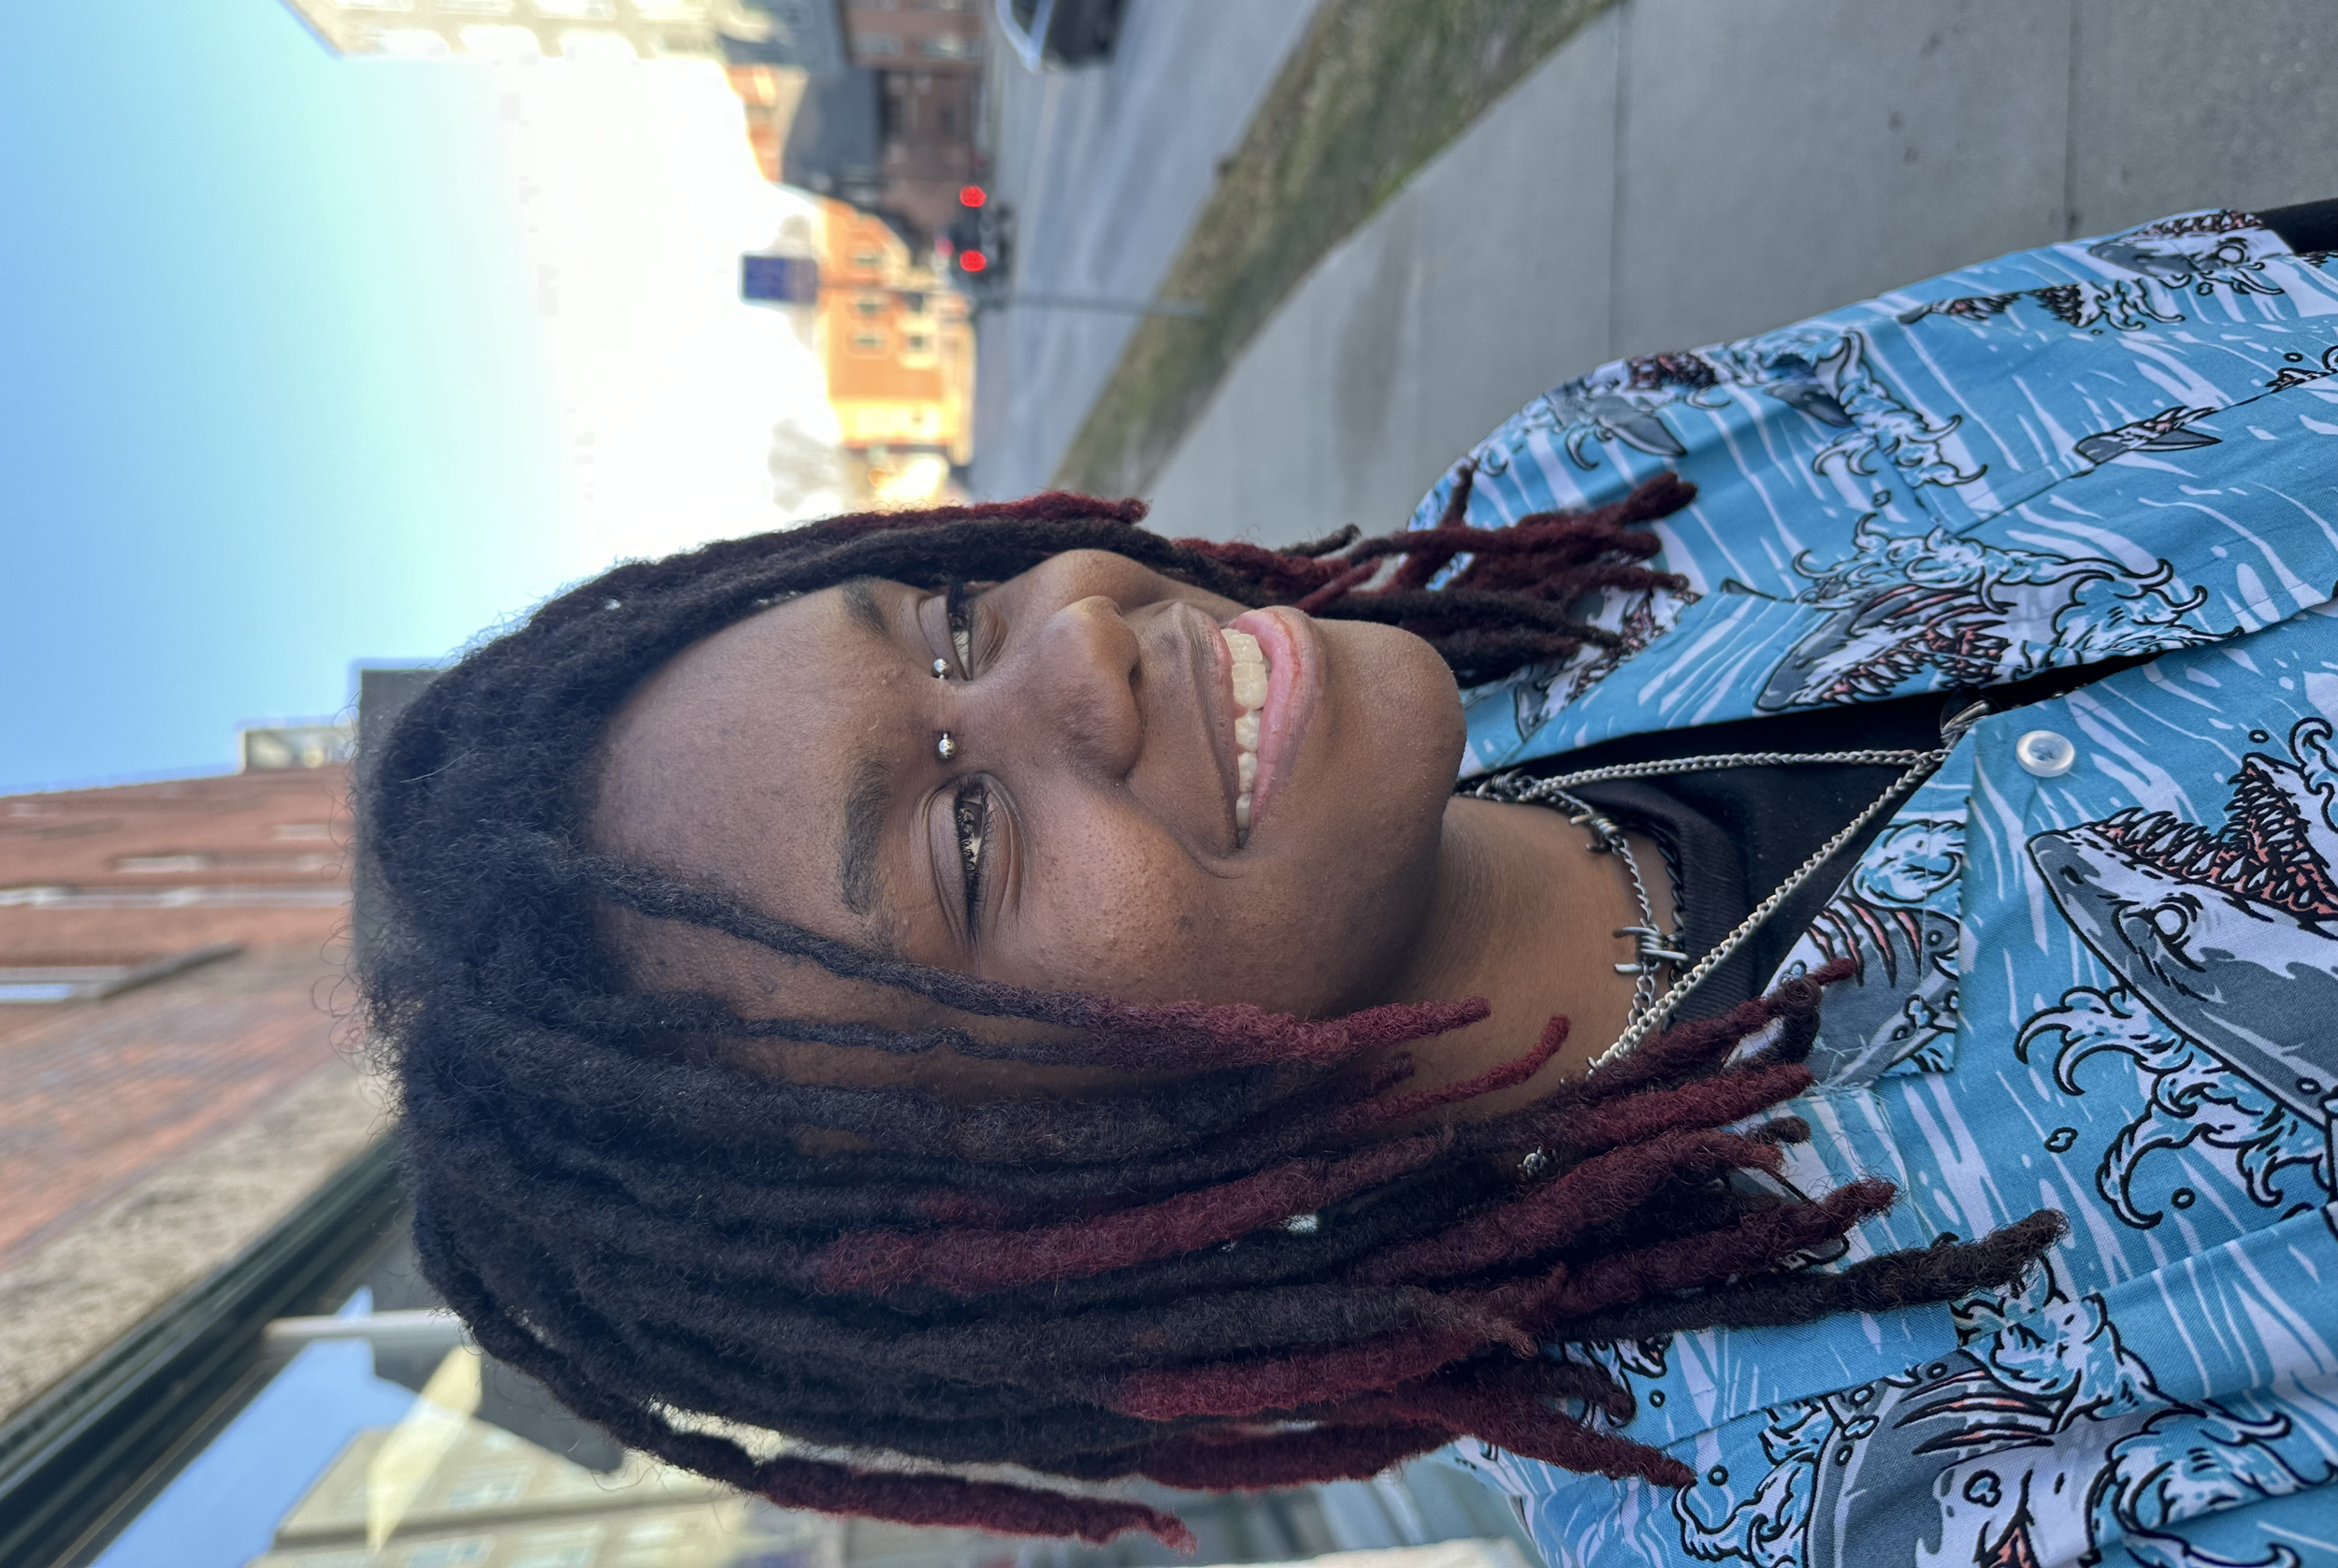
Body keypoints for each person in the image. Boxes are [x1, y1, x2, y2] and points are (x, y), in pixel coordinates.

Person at [361, 207, 2338, 1565]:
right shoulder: (1825, 1489)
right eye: (964, 837)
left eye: (949, 618)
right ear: (1017, 1207)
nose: (1081, 644)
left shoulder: (1610, 485)